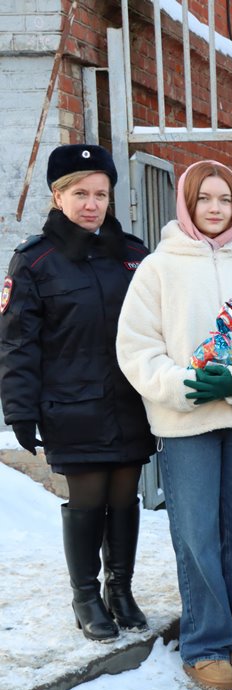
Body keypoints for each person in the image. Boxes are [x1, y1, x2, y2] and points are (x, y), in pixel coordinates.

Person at [116, 160, 232, 690]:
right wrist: (181, 384)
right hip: (185, 420)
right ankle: (206, 644)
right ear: (186, 204)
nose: (215, 209)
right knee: (196, 535)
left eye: (224, 200)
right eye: (204, 199)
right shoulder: (158, 267)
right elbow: (137, 345)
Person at [0, 144, 153, 642]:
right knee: (88, 501)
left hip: (131, 403)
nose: (91, 204)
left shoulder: (134, 256)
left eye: (101, 194)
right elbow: (18, 342)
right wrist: (20, 410)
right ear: (57, 196)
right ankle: (86, 595)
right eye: (80, 193)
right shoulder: (34, 261)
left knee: (125, 498)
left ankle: (121, 590)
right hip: (71, 406)